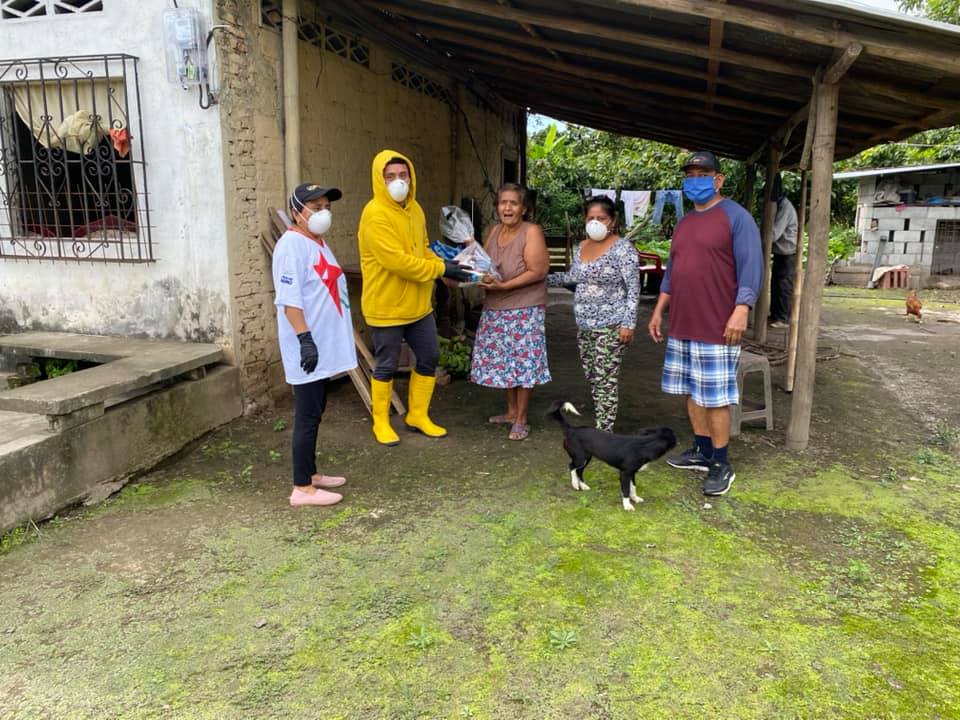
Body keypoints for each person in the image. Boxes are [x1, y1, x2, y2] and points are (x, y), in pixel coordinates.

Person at [647, 151, 762, 496]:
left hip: (718, 324)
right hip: (683, 322)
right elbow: (672, 272)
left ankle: (721, 463)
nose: (694, 180)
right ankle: (702, 449)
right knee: (692, 391)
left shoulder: (736, 217)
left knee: (715, 397)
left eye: (702, 174)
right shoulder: (684, 223)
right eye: (690, 175)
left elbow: (751, 266)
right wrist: (658, 310)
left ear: (718, 179)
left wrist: (742, 309)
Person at [358, 149, 473, 446]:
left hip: (419, 305)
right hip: (386, 306)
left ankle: (417, 415)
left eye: (403, 175)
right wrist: (440, 269)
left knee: (429, 356)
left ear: (411, 177)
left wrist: (447, 263)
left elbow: (422, 249)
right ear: (379, 180)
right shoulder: (374, 215)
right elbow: (398, 262)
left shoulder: (416, 209)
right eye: (390, 176)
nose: (398, 181)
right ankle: (381, 421)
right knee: (386, 364)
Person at [272, 183, 358, 507]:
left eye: (326, 207)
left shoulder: (317, 242)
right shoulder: (291, 246)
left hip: (323, 345)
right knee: (307, 415)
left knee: (317, 411)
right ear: (297, 212)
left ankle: (311, 473)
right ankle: (301, 488)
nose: (323, 213)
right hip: (308, 346)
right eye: (316, 207)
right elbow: (289, 300)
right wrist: (305, 340)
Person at [548, 195, 639, 431]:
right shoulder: (582, 247)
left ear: (612, 221)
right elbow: (573, 277)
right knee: (593, 375)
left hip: (612, 324)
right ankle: (602, 420)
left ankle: (604, 431)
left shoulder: (623, 249)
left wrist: (628, 324)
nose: (595, 222)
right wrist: (541, 278)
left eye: (602, 218)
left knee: (605, 379)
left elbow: (633, 289)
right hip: (585, 324)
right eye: (591, 218)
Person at [470, 183, 551, 441]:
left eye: (513, 203)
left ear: (523, 208)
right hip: (495, 307)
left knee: (523, 364)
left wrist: (504, 286)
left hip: (524, 309)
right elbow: (484, 264)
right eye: (503, 202)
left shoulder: (531, 231)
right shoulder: (495, 231)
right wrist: (472, 274)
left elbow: (538, 271)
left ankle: (521, 419)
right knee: (506, 362)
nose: (507, 207)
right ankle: (511, 411)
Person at [769, 174, 799, 328]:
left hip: (787, 253)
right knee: (776, 284)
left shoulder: (785, 207)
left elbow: (775, 233)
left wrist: (762, 240)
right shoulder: (781, 206)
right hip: (780, 252)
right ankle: (776, 314)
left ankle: (782, 318)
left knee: (783, 286)